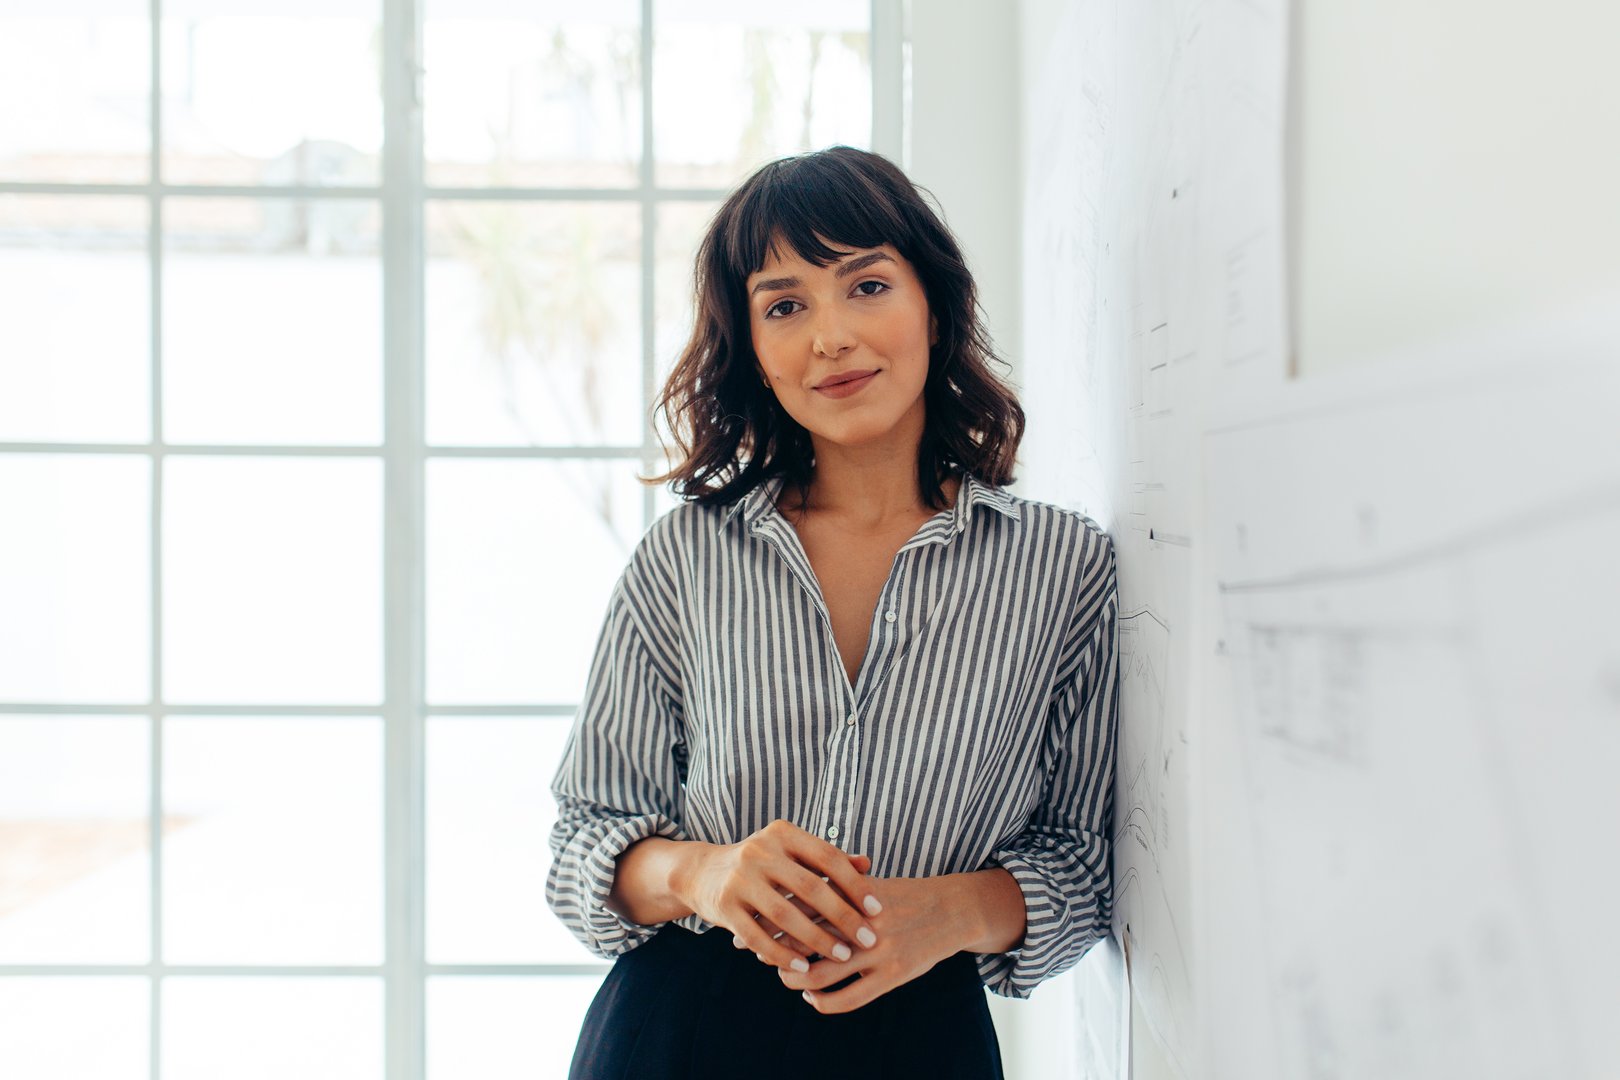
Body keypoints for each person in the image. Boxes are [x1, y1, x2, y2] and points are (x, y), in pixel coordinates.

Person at [546, 145, 1120, 1079]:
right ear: (754, 349)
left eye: (866, 285)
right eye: (784, 306)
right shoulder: (686, 558)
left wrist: (956, 910)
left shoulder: (1063, 567)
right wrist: (706, 873)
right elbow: (582, 844)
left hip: (921, 1037)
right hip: (677, 1032)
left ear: (933, 302)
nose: (831, 337)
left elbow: (1083, 866)